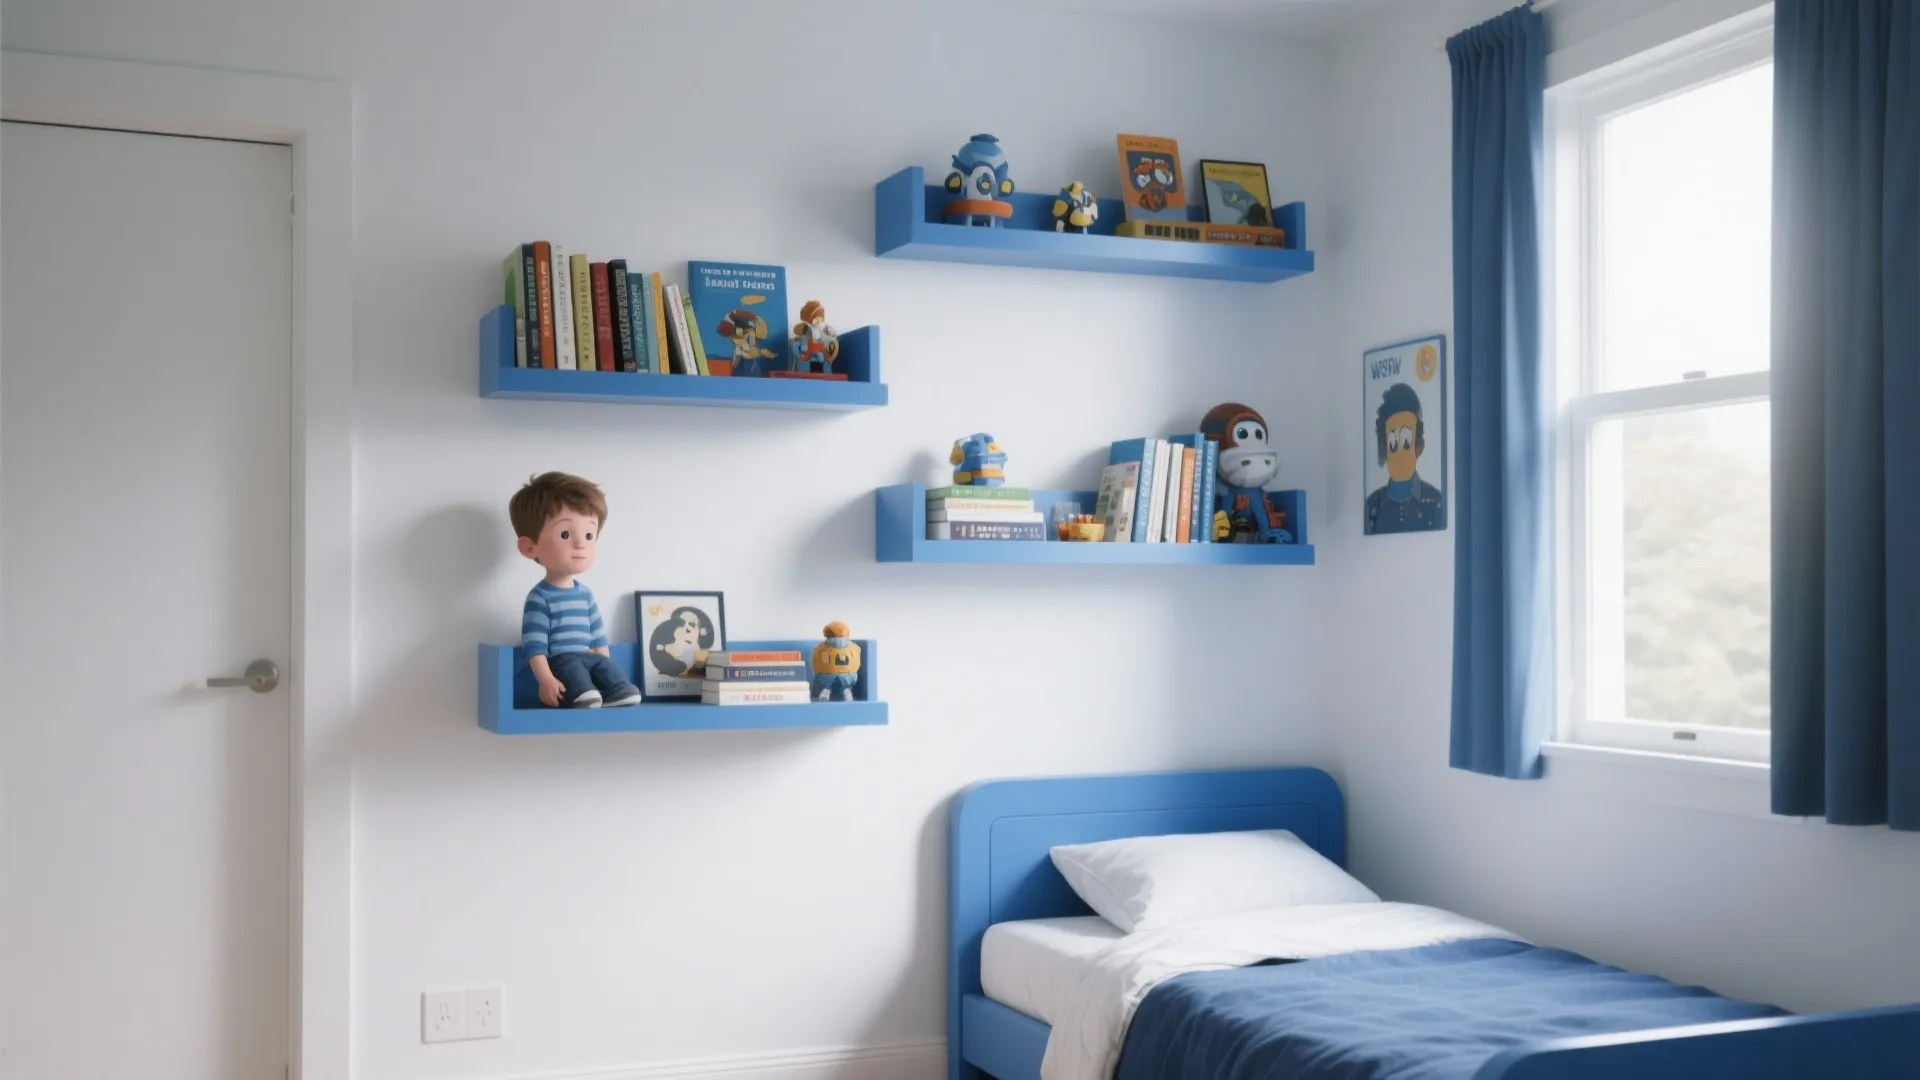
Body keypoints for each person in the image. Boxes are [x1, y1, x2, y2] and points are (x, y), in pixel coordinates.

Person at [510, 471, 640, 708]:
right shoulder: (540, 597)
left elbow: (599, 637)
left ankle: (614, 690)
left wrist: (604, 669)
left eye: (589, 534)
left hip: (589, 658)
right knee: (572, 668)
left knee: (605, 665)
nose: (581, 543)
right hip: (561, 660)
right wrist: (546, 680)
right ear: (530, 547)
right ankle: (581, 693)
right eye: (565, 534)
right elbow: (535, 646)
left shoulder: (586, 595)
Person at [1365, 383, 1446, 535]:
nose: (1400, 454)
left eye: (1407, 441)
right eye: (1393, 443)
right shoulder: (1372, 506)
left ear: (1418, 445)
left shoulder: (1436, 502)